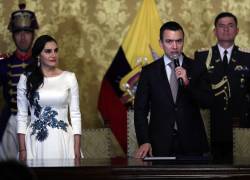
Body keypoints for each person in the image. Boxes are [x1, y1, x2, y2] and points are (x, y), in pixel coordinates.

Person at [134, 21, 212, 158]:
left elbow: (207, 101)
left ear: (183, 42)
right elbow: (140, 110)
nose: (174, 46)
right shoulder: (149, 72)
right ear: (161, 43)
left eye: (179, 41)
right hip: (159, 143)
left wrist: (188, 84)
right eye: (169, 41)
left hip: (192, 142)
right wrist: (144, 141)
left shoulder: (197, 67)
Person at [194, 12, 250, 162]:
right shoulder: (202, 57)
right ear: (215, 31)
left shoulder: (247, 58)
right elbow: (197, 92)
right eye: (221, 26)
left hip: (240, 127)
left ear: (237, 30)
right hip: (211, 127)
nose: (226, 29)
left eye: (230, 26)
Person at [16, 35, 82, 160]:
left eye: (56, 50)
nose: (53, 55)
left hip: (63, 141)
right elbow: (22, 116)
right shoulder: (26, 79)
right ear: (38, 55)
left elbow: (75, 114)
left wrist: (77, 148)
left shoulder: (69, 77)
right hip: (35, 142)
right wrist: (22, 149)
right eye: (48, 51)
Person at [0, 4, 39, 160]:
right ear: (13, 36)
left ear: (33, 35)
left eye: (27, 32)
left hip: (36, 122)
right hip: (11, 121)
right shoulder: (3, 62)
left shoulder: (42, 63)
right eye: (18, 33)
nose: (23, 37)